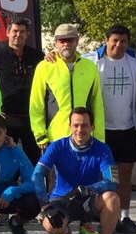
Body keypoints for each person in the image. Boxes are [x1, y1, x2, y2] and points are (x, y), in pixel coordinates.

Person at [32, 108, 120, 234]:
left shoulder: (103, 149)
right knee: (50, 225)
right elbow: (37, 175)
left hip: (89, 199)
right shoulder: (57, 146)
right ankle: (64, 233)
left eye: (85, 125)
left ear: (92, 127)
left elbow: (112, 182)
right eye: (76, 125)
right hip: (63, 199)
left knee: (112, 198)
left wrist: (87, 189)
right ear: (69, 126)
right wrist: (45, 206)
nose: (80, 130)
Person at [91, 25, 136, 234]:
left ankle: (124, 217)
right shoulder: (93, 61)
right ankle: (102, 216)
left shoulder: (135, 61)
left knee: (125, 174)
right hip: (101, 130)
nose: (118, 45)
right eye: (114, 40)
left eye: (123, 41)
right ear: (106, 40)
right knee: (100, 175)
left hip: (127, 127)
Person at [29, 23, 106, 152]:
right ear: (56, 42)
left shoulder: (90, 67)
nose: (66, 44)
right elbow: (36, 103)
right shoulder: (44, 67)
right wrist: (40, 134)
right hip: (55, 137)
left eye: (70, 40)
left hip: (84, 136)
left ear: (77, 41)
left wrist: (99, 138)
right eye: (62, 40)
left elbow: (97, 104)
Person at [0, 16, 45, 163]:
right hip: (8, 119)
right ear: (7, 33)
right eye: (15, 31)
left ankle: (31, 179)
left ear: (27, 34)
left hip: (31, 118)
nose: (18, 35)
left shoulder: (38, 57)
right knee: (6, 161)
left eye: (22, 32)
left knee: (32, 160)